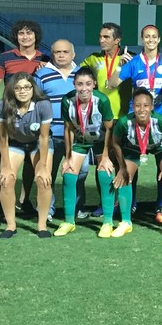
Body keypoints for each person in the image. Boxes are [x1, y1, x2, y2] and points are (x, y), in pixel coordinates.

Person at [109, 24, 162, 221]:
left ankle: (161, 207)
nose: (150, 40)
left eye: (154, 36)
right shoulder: (133, 62)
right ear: (142, 39)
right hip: (136, 120)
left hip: (160, 118)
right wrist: (120, 65)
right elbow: (112, 84)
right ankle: (130, 205)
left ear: (159, 39)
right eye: (147, 36)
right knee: (132, 162)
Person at [108, 88, 162, 238]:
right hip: (134, 147)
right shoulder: (124, 122)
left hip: (160, 147)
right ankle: (126, 222)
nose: (142, 109)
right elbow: (115, 142)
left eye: (146, 105)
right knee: (124, 178)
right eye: (137, 105)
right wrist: (121, 167)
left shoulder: (161, 121)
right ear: (132, 106)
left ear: (152, 107)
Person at [53, 67, 116, 237]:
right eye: (80, 84)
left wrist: (106, 156)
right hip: (81, 141)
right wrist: (68, 157)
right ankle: (69, 222)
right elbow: (68, 129)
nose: (84, 88)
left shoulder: (102, 100)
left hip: (101, 141)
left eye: (88, 84)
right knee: (69, 173)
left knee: (105, 172)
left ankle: (108, 222)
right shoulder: (67, 101)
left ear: (94, 84)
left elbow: (109, 129)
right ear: (74, 84)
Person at [0, 72, 54, 238]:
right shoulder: (3, 105)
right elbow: (2, 138)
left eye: (27, 87)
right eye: (18, 88)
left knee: (43, 180)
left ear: (33, 89)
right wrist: (6, 166)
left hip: (38, 143)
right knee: (6, 179)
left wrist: (43, 166)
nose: (23, 91)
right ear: (12, 90)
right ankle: (11, 226)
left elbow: (44, 138)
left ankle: (42, 225)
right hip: (15, 143)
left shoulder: (43, 105)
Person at [36, 39, 85, 221]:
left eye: (65, 52)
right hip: (49, 134)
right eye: (57, 52)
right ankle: (47, 209)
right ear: (52, 54)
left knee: (80, 172)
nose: (61, 55)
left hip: (77, 135)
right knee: (47, 173)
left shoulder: (81, 74)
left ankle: (76, 208)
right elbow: (35, 102)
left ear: (73, 54)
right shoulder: (41, 74)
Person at [80, 22, 132, 128]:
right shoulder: (93, 58)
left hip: (124, 115)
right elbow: (74, 71)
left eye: (106, 37)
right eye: (100, 37)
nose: (101, 40)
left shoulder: (129, 58)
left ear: (117, 40)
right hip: (100, 115)